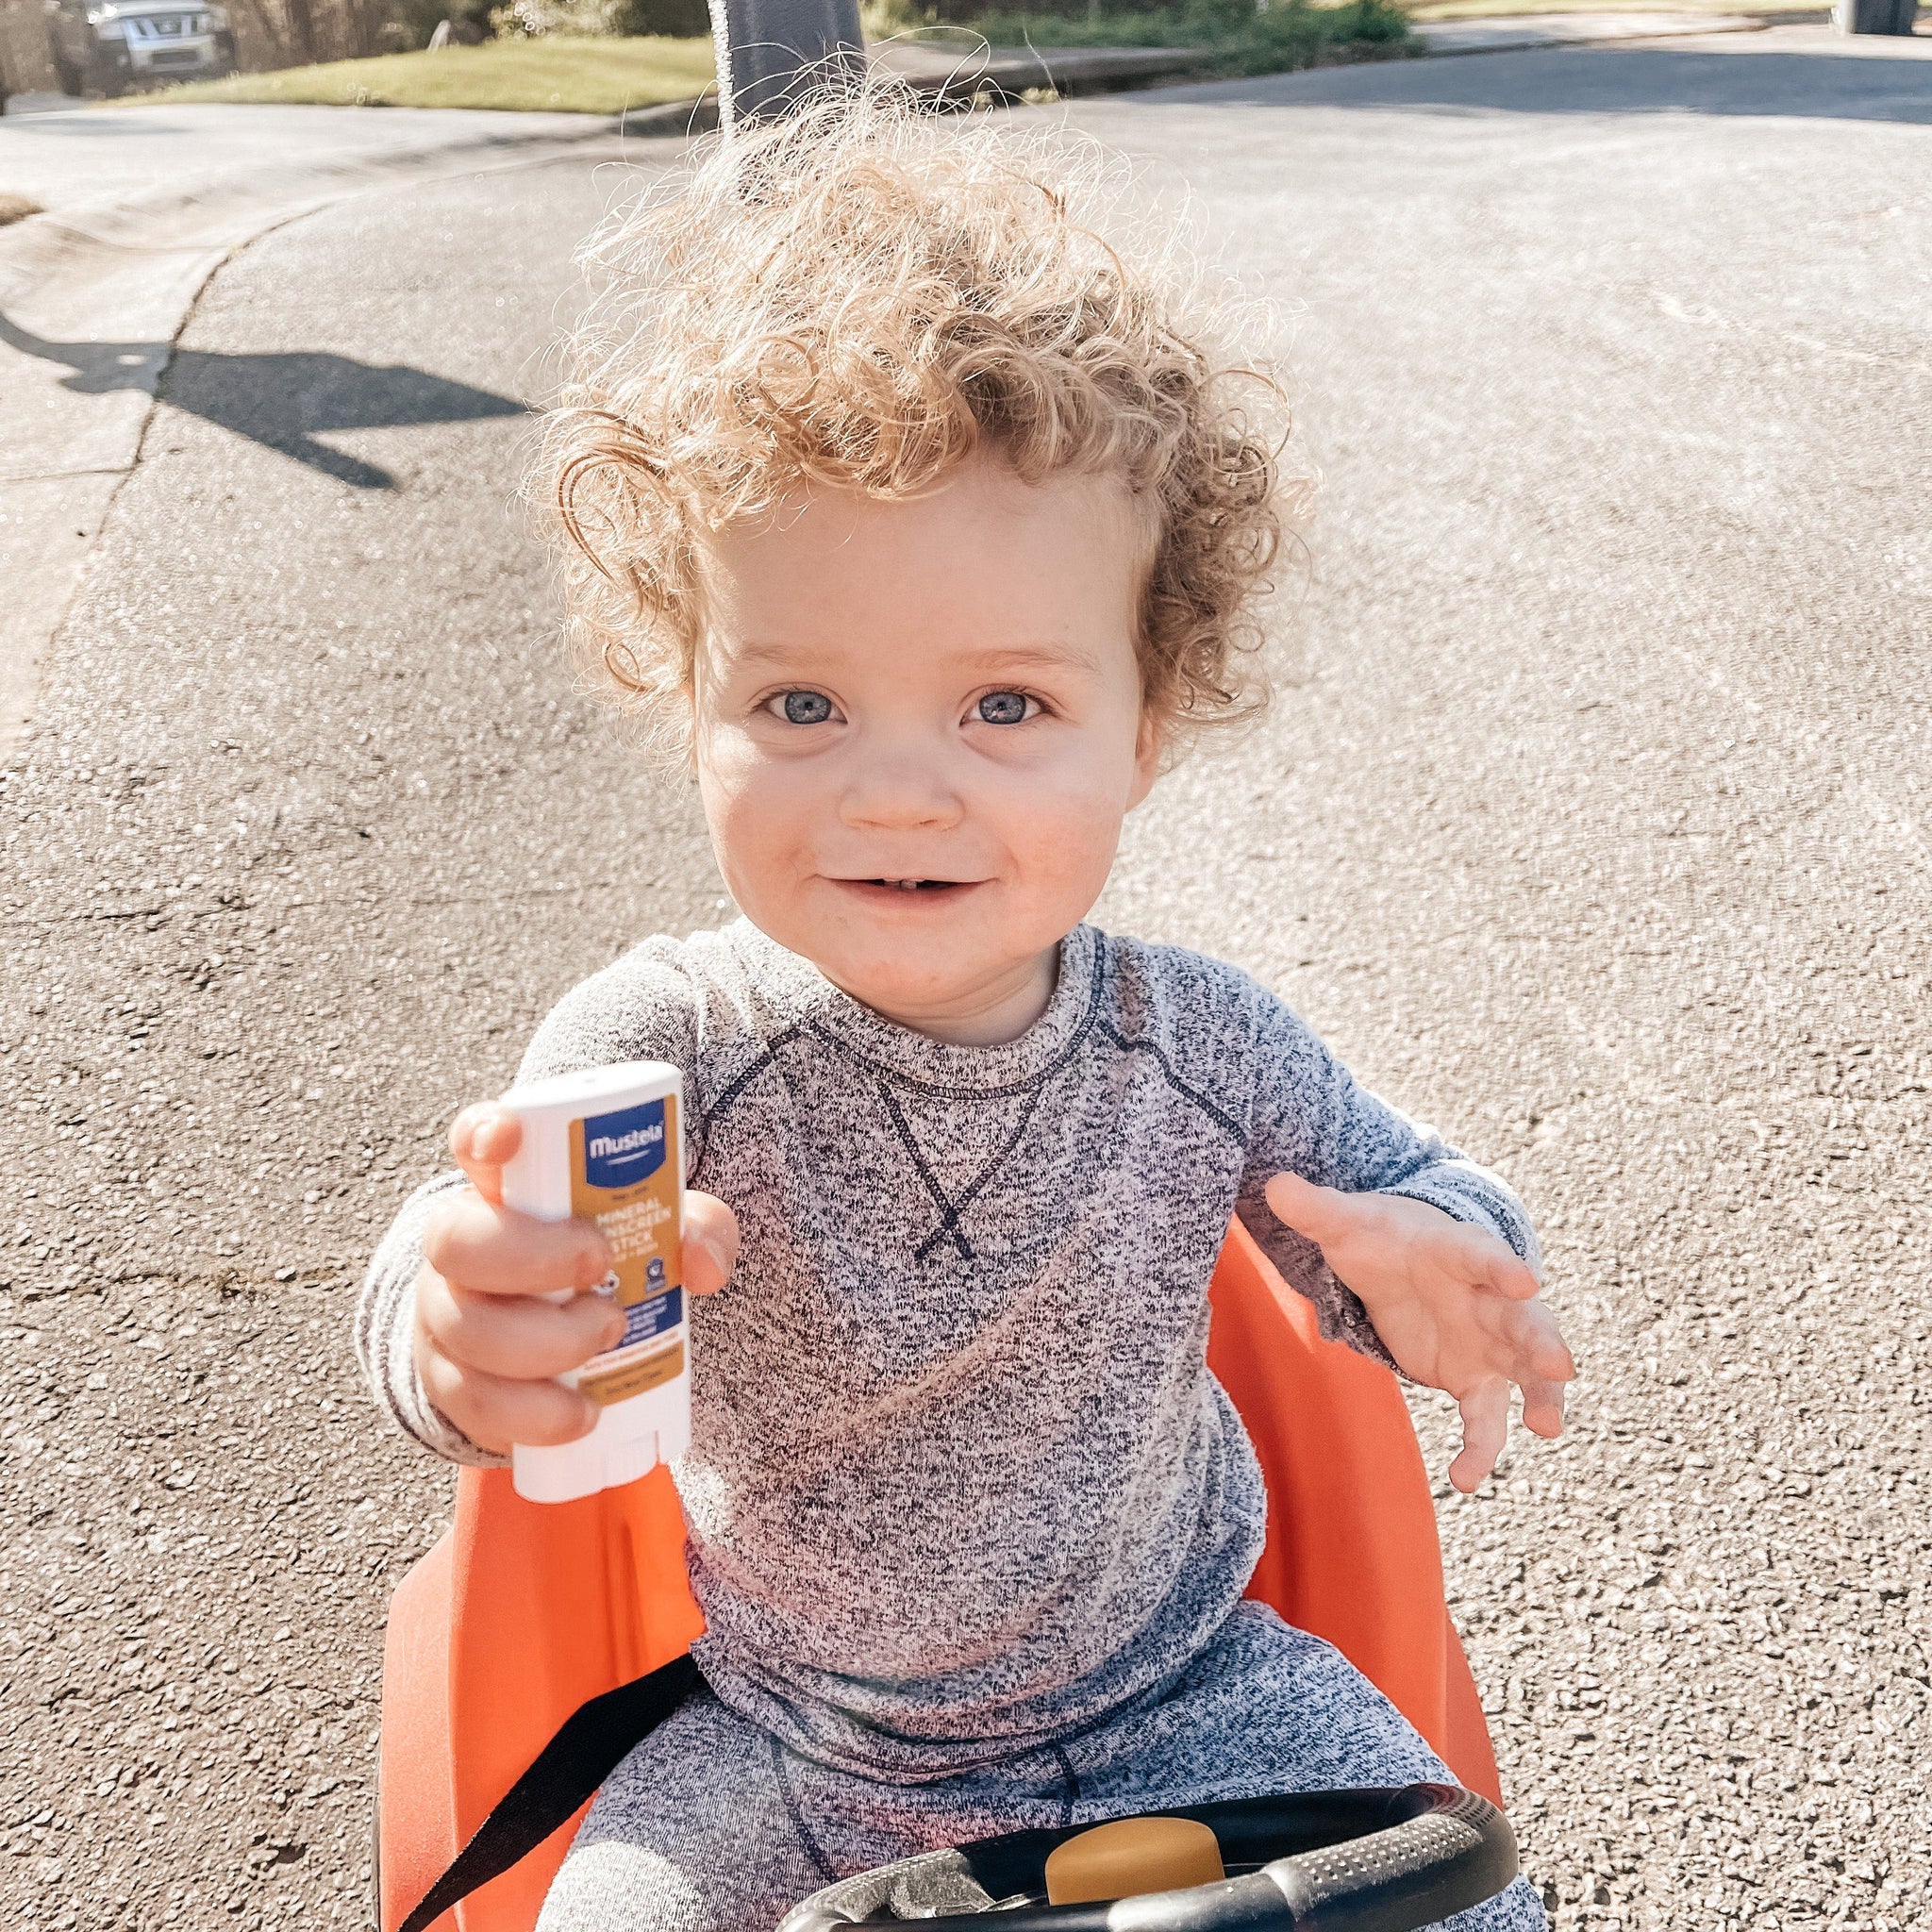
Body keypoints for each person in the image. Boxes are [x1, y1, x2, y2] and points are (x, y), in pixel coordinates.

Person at [358, 93, 1573, 1932]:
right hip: (793, 1748)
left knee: (1475, 1905)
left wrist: (1444, 1254)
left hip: (1196, 1702)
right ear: (692, 697)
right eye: (803, 705)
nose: (898, 793)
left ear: (1143, 720)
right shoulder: (660, 1042)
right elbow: (473, 1279)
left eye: (1003, 705)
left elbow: (1415, 1188)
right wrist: (455, 1324)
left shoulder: (1200, 1036)